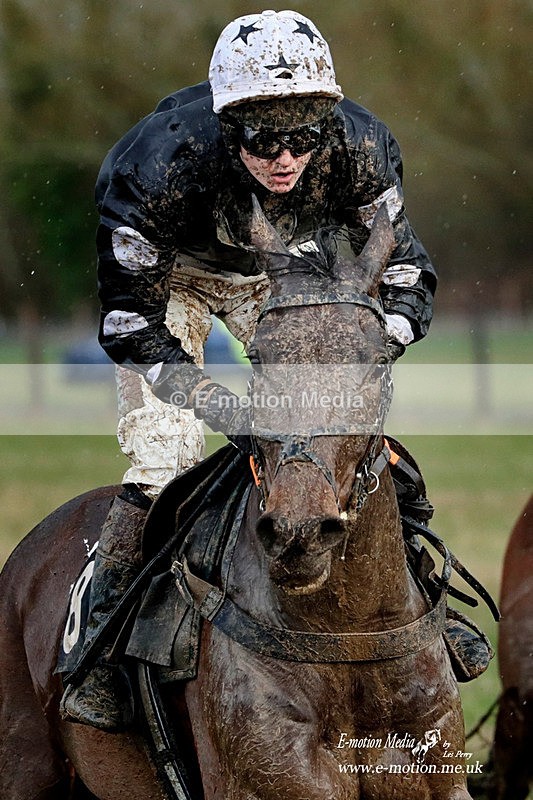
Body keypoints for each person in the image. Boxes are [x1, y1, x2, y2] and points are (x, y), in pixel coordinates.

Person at [60, 9, 436, 731]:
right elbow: (128, 322)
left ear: (326, 125)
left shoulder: (361, 146)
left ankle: (426, 606)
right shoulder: (154, 166)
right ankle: (100, 655)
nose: (284, 157)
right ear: (227, 127)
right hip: (166, 284)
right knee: (163, 460)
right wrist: (221, 408)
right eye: (263, 139)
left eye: (301, 137)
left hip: (278, 271)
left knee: (342, 437)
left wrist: (369, 347)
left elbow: (408, 270)